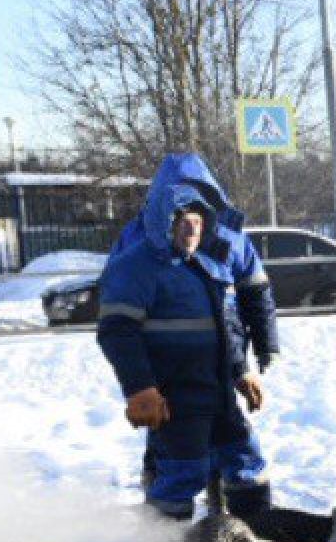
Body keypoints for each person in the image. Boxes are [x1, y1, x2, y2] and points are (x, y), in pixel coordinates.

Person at [96, 156, 276, 520]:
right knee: (182, 469)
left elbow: (229, 319)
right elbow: (117, 329)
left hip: (218, 385)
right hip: (174, 388)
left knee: (245, 460)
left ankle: (255, 533)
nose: (191, 229)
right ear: (165, 217)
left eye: (198, 219)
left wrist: (243, 367)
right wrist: (141, 388)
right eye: (182, 219)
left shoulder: (215, 254)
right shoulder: (138, 260)